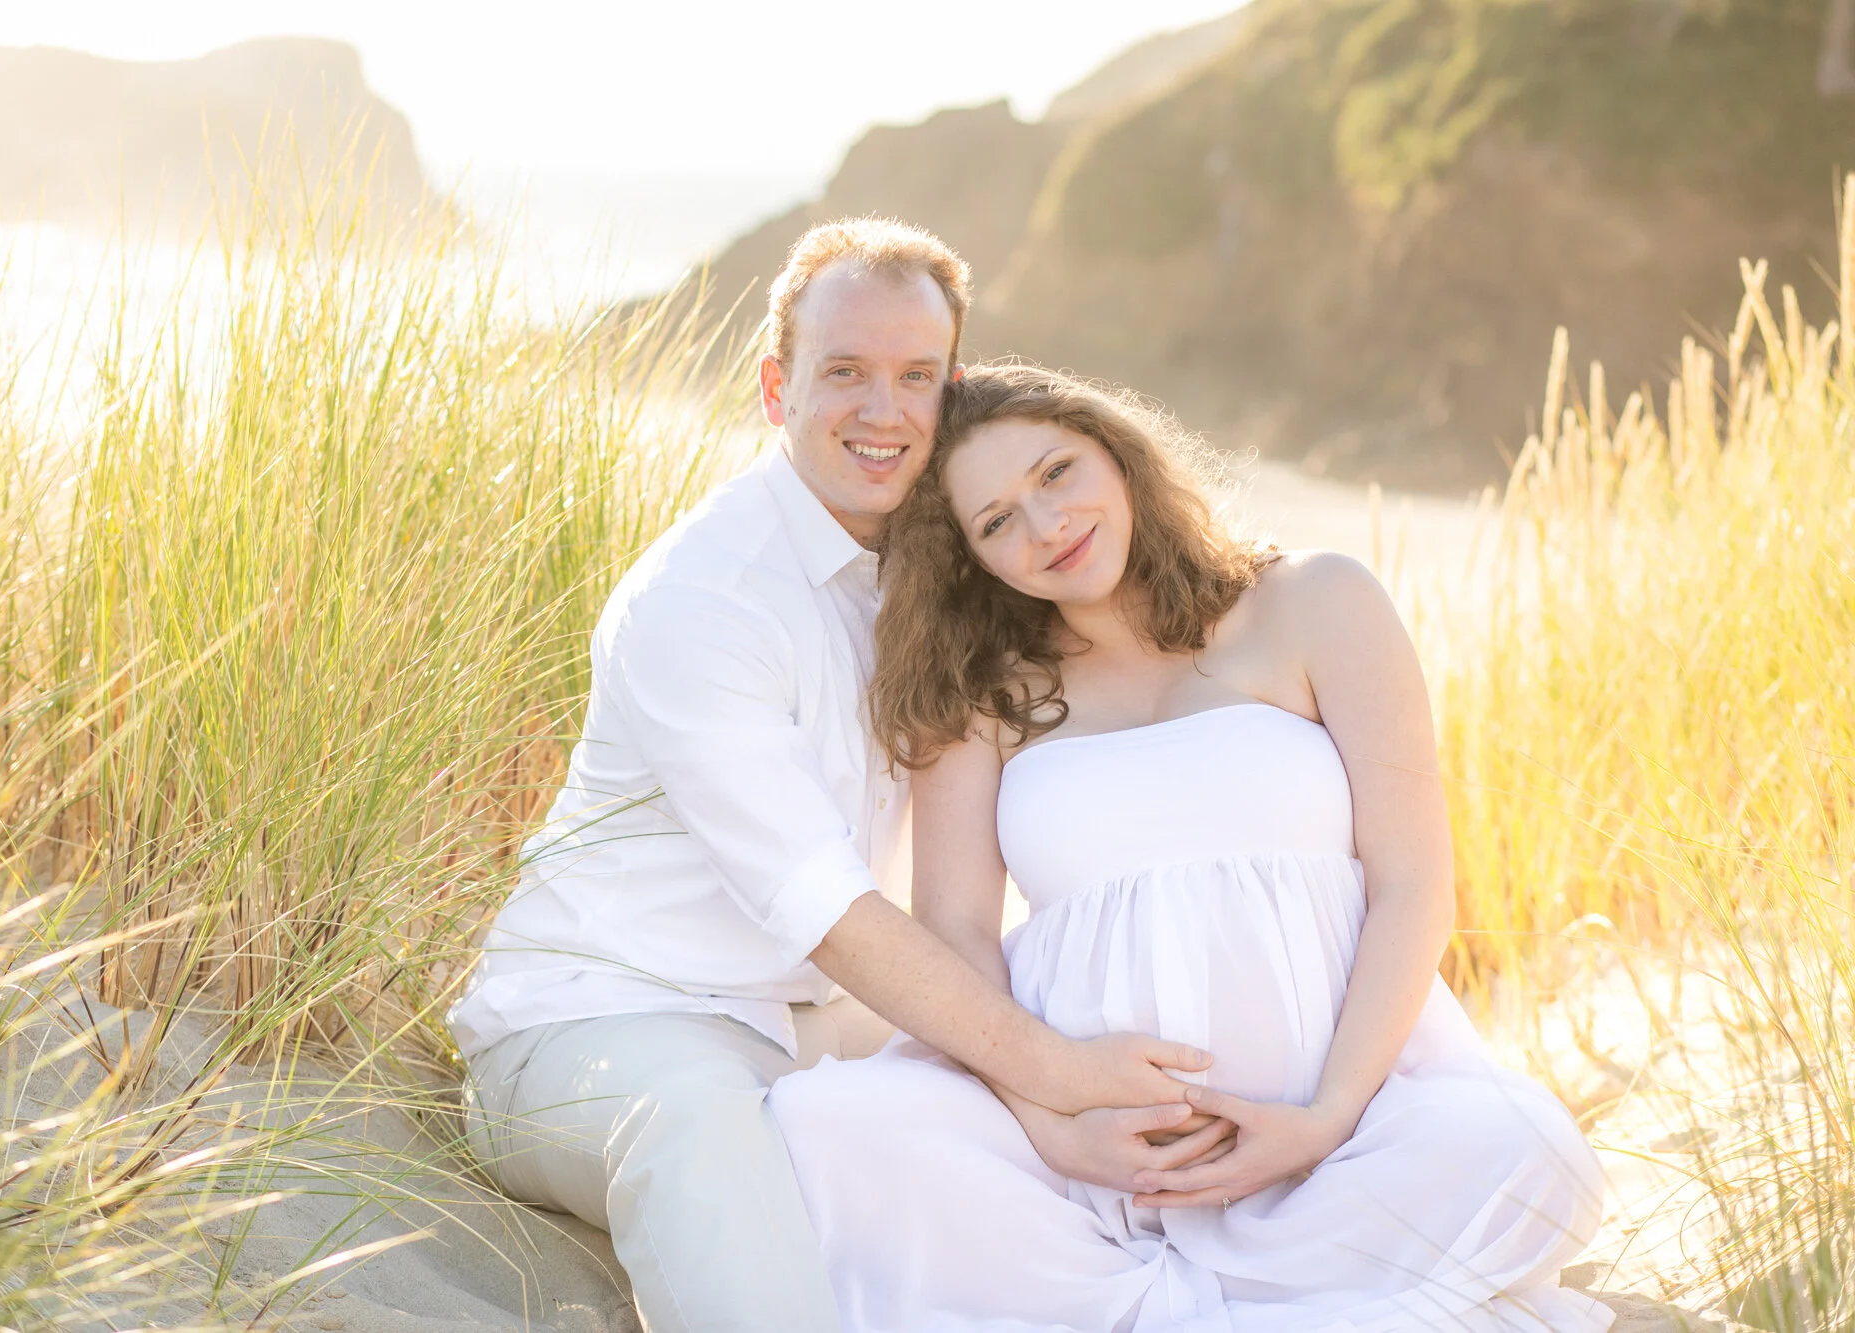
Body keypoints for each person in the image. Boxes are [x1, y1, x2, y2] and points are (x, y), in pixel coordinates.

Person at [448, 224, 1216, 1333]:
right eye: (842, 372)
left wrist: (1060, 1089)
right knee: (698, 1126)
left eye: (913, 377)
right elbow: (822, 907)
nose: (880, 409)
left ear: (947, 392)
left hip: (818, 1028)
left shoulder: (950, 566)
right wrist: (1051, 1069)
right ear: (776, 386)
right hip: (600, 1024)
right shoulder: (702, 598)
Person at [769, 363, 1611, 1332]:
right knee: (825, 1128)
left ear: (1115, 452)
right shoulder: (980, 694)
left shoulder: (1312, 602)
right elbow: (955, 928)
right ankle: (1198, 1295)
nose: (1043, 526)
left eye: (1054, 472)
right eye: (995, 521)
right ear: (971, 559)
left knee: (1523, 1148)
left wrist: (1323, 1117)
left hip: (1345, 1136)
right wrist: (1055, 1125)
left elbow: (1413, 882)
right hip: (1085, 1168)